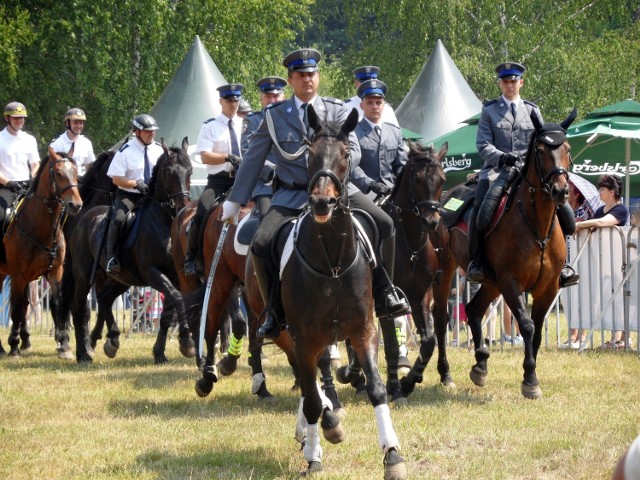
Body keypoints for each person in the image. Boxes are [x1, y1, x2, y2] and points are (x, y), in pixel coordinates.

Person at [221, 48, 410, 339]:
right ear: (291, 79)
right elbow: (254, 158)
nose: (307, 80)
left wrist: (335, 164)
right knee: (260, 242)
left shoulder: (337, 110)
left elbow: (355, 150)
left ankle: (385, 291)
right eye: (300, 75)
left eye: (311, 74)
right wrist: (236, 199)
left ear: (318, 77)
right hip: (292, 194)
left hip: (337, 192)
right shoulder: (274, 116)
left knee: (384, 224)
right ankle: (274, 310)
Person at [468, 61, 578, 288]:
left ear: (521, 82)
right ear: (500, 83)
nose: (510, 85)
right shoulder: (489, 110)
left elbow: (542, 142)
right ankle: (477, 262)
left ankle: (562, 264)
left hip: (530, 172)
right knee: (481, 208)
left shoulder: (532, 110)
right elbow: (483, 144)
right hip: (498, 170)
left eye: (514, 81)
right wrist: (502, 157)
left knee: (564, 212)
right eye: (506, 81)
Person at [183, 83, 244, 277]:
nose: (233, 104)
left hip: (242, 181)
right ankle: (191, 258)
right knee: (201, 212)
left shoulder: (246, 124)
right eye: (229, 100)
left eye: (236, 100)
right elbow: (204, 156)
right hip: (218, 182)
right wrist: (227, 157)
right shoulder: (210, 126)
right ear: (221, 101)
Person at [575, 174, 630, 349]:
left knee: (620, 298)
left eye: (602, 189)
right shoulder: (600, 209)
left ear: (612, 192)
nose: (599, 192)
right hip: (603, 262)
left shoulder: (621, 210)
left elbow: (601, 222)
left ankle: (622, 339)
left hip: (620, 262)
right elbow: (595, 225)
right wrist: (585, 227)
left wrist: (579, 225)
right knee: (608, 298)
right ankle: (615, 338)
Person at [105, 114, 163, 274]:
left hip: (151, 196)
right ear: (137, 132)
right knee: (119, 218)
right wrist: (135, 184)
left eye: (153, 131)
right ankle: (112, 257)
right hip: (129, 196)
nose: (151, 134)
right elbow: (116, 179)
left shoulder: (159, 149)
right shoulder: (125, 151)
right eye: (147, 131)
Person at [560, 174, 604, 349]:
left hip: (585, 258)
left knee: (583, 297)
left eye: (568, 191)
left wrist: (580, 224)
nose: (565, 193)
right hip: (567, 258)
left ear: (576, 194)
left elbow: (585, 226)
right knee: (569, 297)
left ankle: (582, 336)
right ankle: (572, 336)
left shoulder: (584, 209)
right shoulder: (563, 209)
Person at [351, 78, 406, 197]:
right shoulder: (353, 132)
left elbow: (401, 166)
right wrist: (370, 184)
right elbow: (351, 166)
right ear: (361, 105)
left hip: (392, 193)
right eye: (370, 102)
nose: (375, 106)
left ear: (384, 105)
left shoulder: (395, 132)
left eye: (378, 102)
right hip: (364, 193)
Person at [241, 76, 287, 218]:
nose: (272, 100)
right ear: (261, 98)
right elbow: (247, 152)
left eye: (276, 96)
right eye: (268, 96)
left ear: (284, 97)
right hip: (266, 185)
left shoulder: (293, 120)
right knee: (268, 221)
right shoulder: (252, 120)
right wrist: (274, 170)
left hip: (294, 184)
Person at [0, 101, 40, 227]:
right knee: (2, 217)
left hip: (26, 186)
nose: (20, 120)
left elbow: (35, 164)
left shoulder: (30, 139)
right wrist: (8, 183)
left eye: (22, 117)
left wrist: (33, 177)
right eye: (16, 118)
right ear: (7, 118)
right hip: (6, 187)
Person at [49, 107, 96, 178]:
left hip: (80, 181)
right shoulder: (57, 144)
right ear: (68, 124)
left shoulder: (86, 143)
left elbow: (89, 166)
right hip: (63, 182)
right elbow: (51, 169)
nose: (79, 126)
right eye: (75, 123)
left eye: (81, 123)